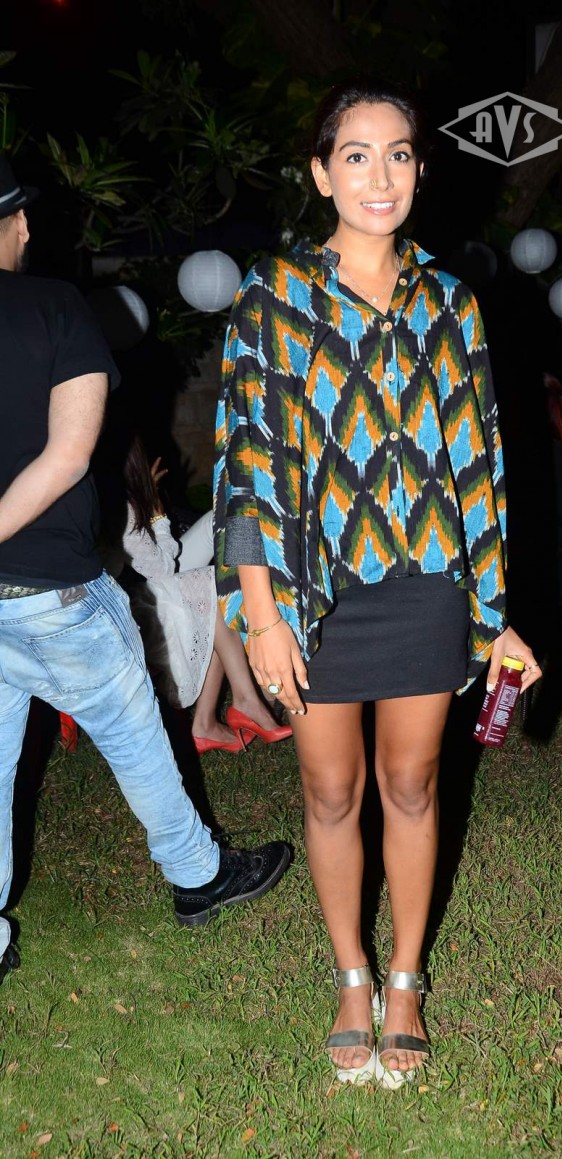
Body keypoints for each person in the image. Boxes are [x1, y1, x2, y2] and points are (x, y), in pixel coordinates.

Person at [213, 78, 542, 1087]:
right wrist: (260, 614)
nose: (379, 175)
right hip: (313, 593)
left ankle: (404, 979)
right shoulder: (274, 295)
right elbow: (245, 461)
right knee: (330, 787)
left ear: (420, 170)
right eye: (355, 154)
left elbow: (480, 461)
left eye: (398, 153)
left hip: (430, 584)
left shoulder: (450, 301)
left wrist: (495, 616)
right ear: (322, 173)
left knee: (410, 782)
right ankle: (350, 974)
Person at [0, 154, 291, 988]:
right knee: (135, 738)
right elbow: (67, 456)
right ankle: (201, 876)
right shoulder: (56, 306)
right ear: (20, 223)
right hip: (51, 589)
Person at [118, 432, 291, 752]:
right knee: (209, 589)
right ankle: (243, 702)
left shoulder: (121, 497)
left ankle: (211, 721)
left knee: (219, 526)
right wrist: (157, 515)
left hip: (144, 585)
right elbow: (160, 569)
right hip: (131, 607)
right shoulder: (120, 506)